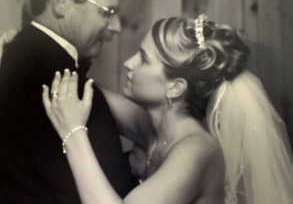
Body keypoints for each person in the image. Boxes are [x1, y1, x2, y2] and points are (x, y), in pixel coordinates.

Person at [42, 16, 293, 204]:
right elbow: (84, 90)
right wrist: (22, 43)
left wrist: (73, 133)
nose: (129, 64)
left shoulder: (197, 151)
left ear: (175, 87)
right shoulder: (152, 124)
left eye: (143, 58)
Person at [0, 0, 143, 203]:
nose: (116, 27)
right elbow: (114, 192)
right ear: (61, 2)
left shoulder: (0, 64)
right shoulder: (75, 97)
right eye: (106, 12)